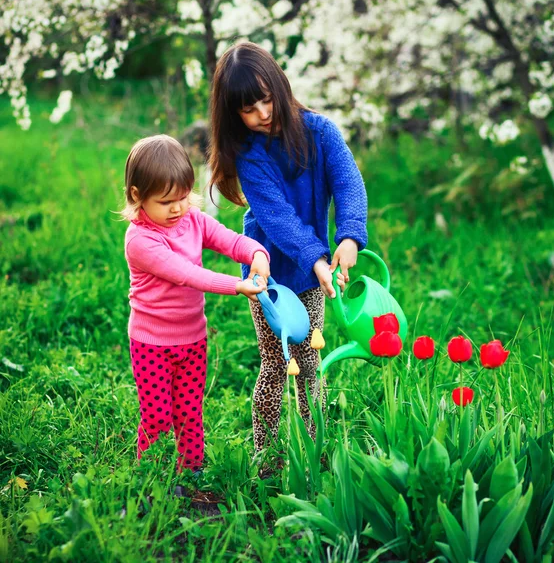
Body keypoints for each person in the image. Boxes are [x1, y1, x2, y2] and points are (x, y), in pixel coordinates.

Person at [208, 42, 368, 454]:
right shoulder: (249, 154)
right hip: (268, 276)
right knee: (276, 362)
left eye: (266, 99)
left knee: (310, 361)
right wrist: (316, 255)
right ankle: (266, 453)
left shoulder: (321, 132)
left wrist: (349, 235)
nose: (262, 113)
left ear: (280, 87)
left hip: (313, 275)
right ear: (233, 115)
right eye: (248, 108)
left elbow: (348, 182)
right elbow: (276, 217)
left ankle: (313, 451)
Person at [120, 134, 270, 472]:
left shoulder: (191, 219)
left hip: (193, 338)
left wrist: (256, 252)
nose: (177, 208)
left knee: (189, 412)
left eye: (183, 197)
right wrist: (237, 284)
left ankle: (193, 472)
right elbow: (186, 274)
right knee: (157, 415)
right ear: (137, 196)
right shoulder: (140, 240)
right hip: (151, 343)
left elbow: (228, 240)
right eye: (166, 201)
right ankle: (153, 476)